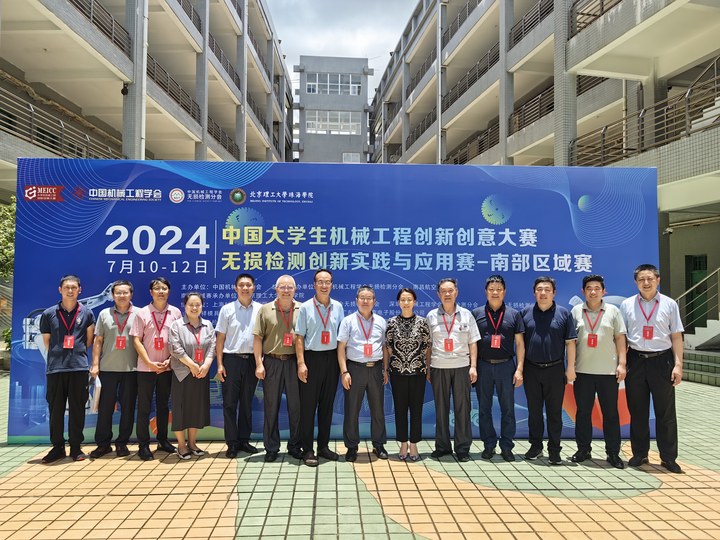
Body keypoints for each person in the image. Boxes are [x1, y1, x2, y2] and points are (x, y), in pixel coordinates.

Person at [620, 264, 684, 474]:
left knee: (665, 412)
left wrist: (678, 365)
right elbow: (622, 338)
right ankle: (640, 453)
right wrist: (622, 363)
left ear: (658, 280)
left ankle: (668, 457)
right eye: (641, 279)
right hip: (636, 360)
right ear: (636, 282)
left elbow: (676, 336)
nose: (646, 283)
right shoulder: (627, 305)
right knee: (637, 411)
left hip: (662, 361)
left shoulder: (669, 304)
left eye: (650, 278)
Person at [570, 275, 627, 469]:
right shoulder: (576, 311)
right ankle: (583, 449)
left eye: (597, 288)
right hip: (582, 371)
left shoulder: (613, 311)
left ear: (604, 291)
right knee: (583, 413)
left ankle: (613, 453)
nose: (593, 292)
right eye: (589, 288)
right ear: (583, 291)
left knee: (610, 414)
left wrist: (622, 364)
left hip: (608, 372)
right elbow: (570, 342)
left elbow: (620, 338)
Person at [39, 275, 96, 463]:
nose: (70, 291)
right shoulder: (49, 314)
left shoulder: (87, 313)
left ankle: (76, 447)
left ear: (80, 290)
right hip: (56, 369)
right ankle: (57, 447)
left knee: (78, 409)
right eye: (66, 287)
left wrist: (76, 355)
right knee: (55, 410)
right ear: (60, 290)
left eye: (74, 287)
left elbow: (88, 340)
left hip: (79, 368)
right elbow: (47, 342)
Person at [522, 276, 577, 465]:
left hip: (555, 370)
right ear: (534, 293)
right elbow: (520, 344)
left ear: (554, 293)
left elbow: (570, 343)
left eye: (547, 289)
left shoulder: (564, 314)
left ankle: (554, 449)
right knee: (534, 412)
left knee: (554, 413)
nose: (543, 293)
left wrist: (570, 368)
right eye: (539, 289)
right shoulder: (526, 313)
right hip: (531, 369)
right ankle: (536, 446)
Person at [472, 275, 525, 462]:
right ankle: (489, 445)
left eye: (499, 289)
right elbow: (472, 343)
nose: (495, 292)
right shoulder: (476, 314)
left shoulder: (514, 314)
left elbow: (520, 344)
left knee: (508, 408)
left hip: (506, 366)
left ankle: (507, 446)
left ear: (504, 292)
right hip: (483, 365)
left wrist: (519, 369)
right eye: (491, 289)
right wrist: (473, 366)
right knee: (484, 408)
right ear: (486, 292)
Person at [294, 269, 345, 467]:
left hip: (331, 359)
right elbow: (299, 337)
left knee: (327, 406)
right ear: (314, 285)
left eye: (328, 282)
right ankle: (307, 449)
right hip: (311, 359)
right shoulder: (306, 307)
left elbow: (341, 339)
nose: (324, 285)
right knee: (308, 407)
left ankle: (323, 446)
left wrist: (342, 366)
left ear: (332, 285)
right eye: (320, 282)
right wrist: (301, 363)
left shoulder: (338, 307)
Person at [426, 278, 479, 462]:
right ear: (438, 294)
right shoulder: (431, 316)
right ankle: (442, 447)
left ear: (456, 292)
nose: (447, 294)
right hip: (438, 367)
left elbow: (473, 342)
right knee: (441, 408)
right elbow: (428, 345)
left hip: (462, 367)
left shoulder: (466, 315)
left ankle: (462, 448)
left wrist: (473, 366)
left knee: (462, 409)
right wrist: (428, 368)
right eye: (443, 291)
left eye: (450, 290)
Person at [130, 277, 182, 461]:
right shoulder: (142, 313)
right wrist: (149, 363)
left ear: (169, 291)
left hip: (167, 368)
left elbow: (178, 340)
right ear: (151, 292)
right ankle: (143, 445)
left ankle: (162, 440)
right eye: (157, 288)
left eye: (164, 288)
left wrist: (169, 360)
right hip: (146, 369)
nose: (161, 291)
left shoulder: (175, 312)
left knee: (163, 406)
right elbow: (136, 340)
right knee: (144, 407)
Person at [253, 275, 303, 462]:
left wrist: (302, 363)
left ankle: (295, 445)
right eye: (282, 287)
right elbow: (257, 338)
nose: (286, 290)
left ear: (295, 290)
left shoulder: (303, 309)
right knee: (271, 406)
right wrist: (259, 364)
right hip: (272, 362)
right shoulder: (265, 309)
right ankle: (271, 447)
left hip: (294, 362)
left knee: (296, 407)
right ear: (276, 289)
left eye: (290, 287)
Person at [338, 285, 389, 462]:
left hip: (375, 368)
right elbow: (341, 347)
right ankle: (352, 447)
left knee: (378, 409)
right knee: (352, 409)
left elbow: (384, 347)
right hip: (354, 369)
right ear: (356, 300)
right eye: (362, 298)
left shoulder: (381, 321)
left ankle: (378, 444)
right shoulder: (348, 321)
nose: (365, 301)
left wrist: (385, 369)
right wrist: (344, 371)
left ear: (374, 301)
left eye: (369, 298)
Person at [89, 280, 137, 459]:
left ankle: (122, 443)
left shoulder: (139, 314)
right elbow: (98, 341)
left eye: (125, 292)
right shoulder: (104, 314)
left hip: (132, 370)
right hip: (107, 369)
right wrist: (95, 364)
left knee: (128, 409)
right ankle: (103, 444)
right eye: (118, 293)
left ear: (131, 294)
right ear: (112, 295)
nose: (122, 296)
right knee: (105, 409)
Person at [216, 273, 262, 458]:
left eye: (248, 285)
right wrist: (220, 364)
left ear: (253, 288)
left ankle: (244, 440)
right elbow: (220, 338)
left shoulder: (260, 309)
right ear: (235, 288)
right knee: (229, 403)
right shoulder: (227, 310)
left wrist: (259, 363)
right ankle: (232, 443)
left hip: (251, 360)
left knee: (247, 403)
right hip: (231, 360)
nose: (245, 288)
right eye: (241, 285)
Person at [168, 292, 216, 459]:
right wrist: (192, 365)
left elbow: (212, 346)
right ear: (185, 306)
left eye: (198, 305)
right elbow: (175, 348)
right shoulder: (177, 325)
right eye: (191, 305)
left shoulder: (208, 325)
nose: (194, 308)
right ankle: (181, 446)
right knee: (180, 409)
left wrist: (206, 365)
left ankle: (193, 443)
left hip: (201, 373)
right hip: (182, 373)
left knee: (196, 408)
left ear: (202, 306)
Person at [385, 287, 431, 461]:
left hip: (418, 372)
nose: (406, 303)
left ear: (414, 302)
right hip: (397, 373)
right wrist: (387, 369)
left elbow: (427, 348)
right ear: (398, 302)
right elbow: (388, 348)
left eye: (409, 299)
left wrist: (428, 369)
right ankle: (403, 443)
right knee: (400, 409)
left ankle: (414, 444)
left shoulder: (423, 322)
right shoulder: (391, 323)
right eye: (403, 300)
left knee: (417, 409)